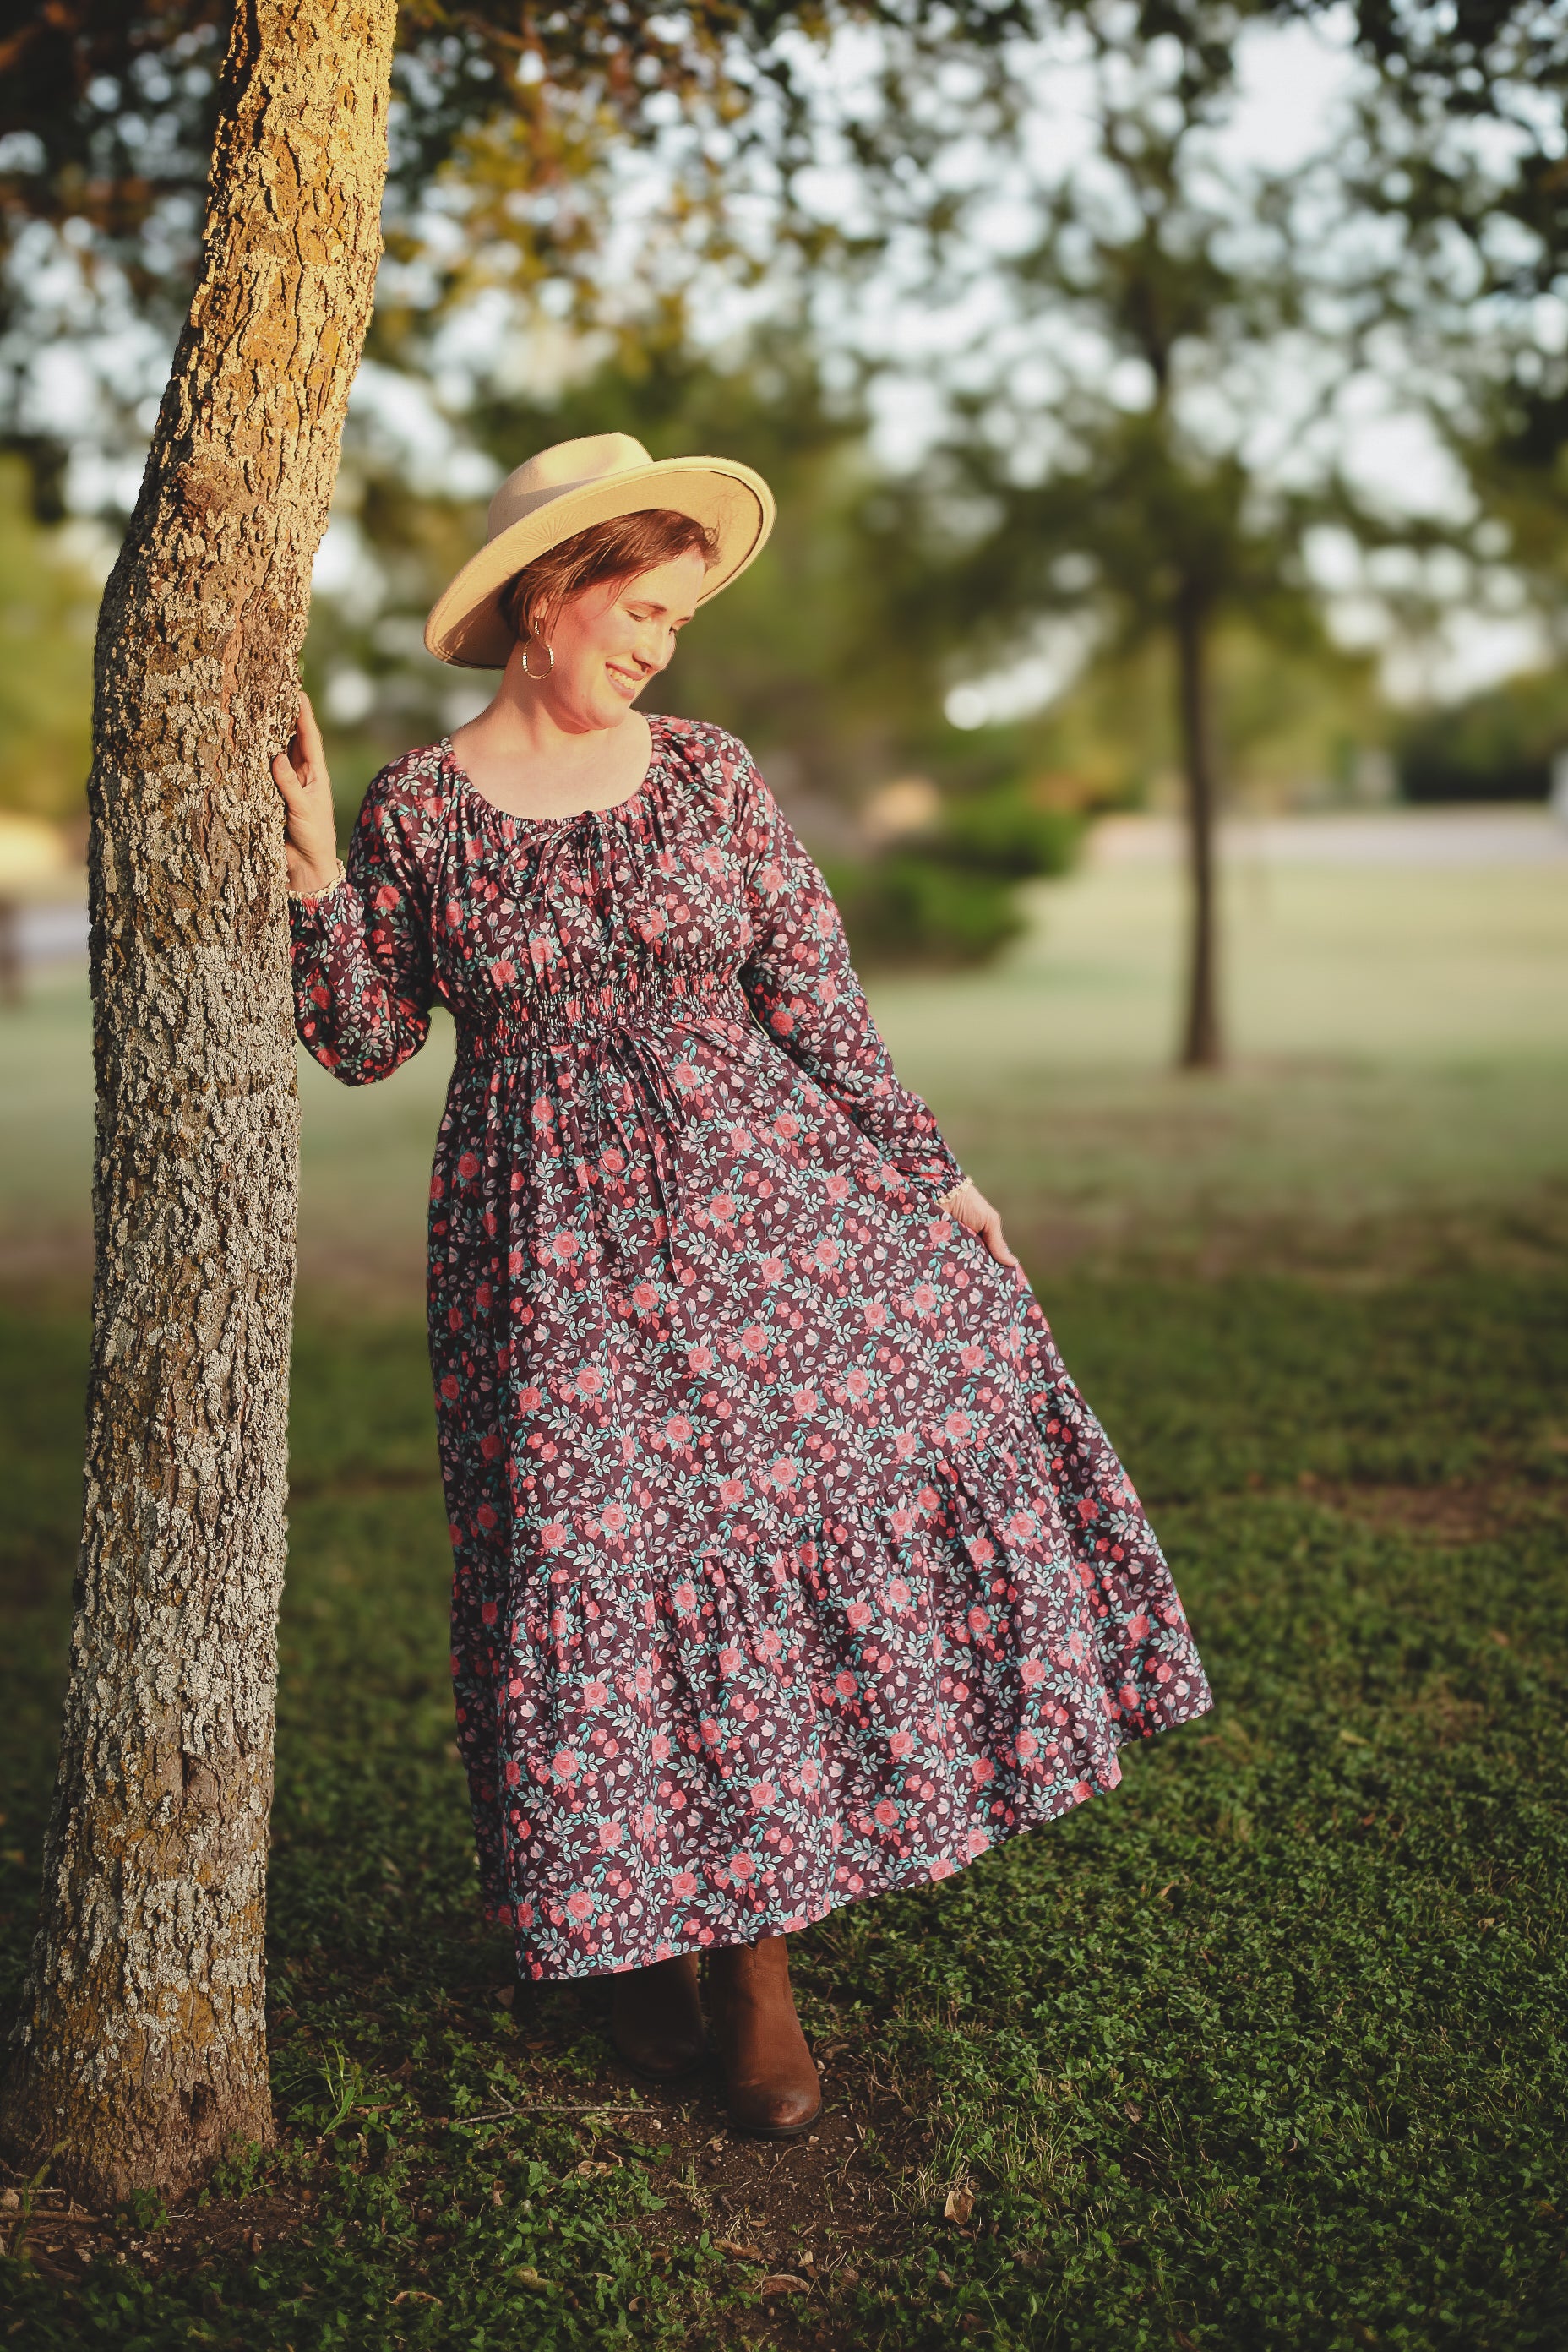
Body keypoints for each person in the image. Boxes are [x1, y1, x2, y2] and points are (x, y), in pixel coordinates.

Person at [275, 432, 1213, 2141]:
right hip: (538, 1248)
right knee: (595, 1564)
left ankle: (755, 1978)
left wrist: (932, 1173)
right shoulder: (417, 805)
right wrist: (316, 884)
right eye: (638, 609)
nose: (657, 646)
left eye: (677, 618)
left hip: (762, 1218)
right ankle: (634, 1932)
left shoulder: (706, 771)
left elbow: (814, 994)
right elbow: (362, 1042)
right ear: (547, 597)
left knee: (755, 1541)